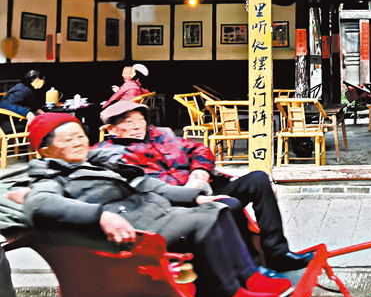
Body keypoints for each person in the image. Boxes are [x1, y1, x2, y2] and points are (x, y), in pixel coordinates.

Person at [19, 113, 291, 297]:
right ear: (45, 149)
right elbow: (39, 204)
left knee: (217, 209)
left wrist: (193, 197)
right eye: (67, 140)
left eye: (79, 136)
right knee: (203, 222)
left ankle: (248, 277)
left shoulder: (99, 161)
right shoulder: (49, 177)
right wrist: (101, 216)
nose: (78, 143)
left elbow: (147, 183)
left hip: (155, 211)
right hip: (137, 228)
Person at [95, 100, 313, 273]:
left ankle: (277, 253)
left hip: (201, 188)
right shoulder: (111, 154)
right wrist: (192, 192)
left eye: (139, 119)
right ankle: (252, 268)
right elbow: (150, 186)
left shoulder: (160, 135)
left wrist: (200, 171)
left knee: (258, 179)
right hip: (176, 206)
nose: (136, 126)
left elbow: (199, 149)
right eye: (127, 122)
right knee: (231, 204)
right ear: (111, 128)